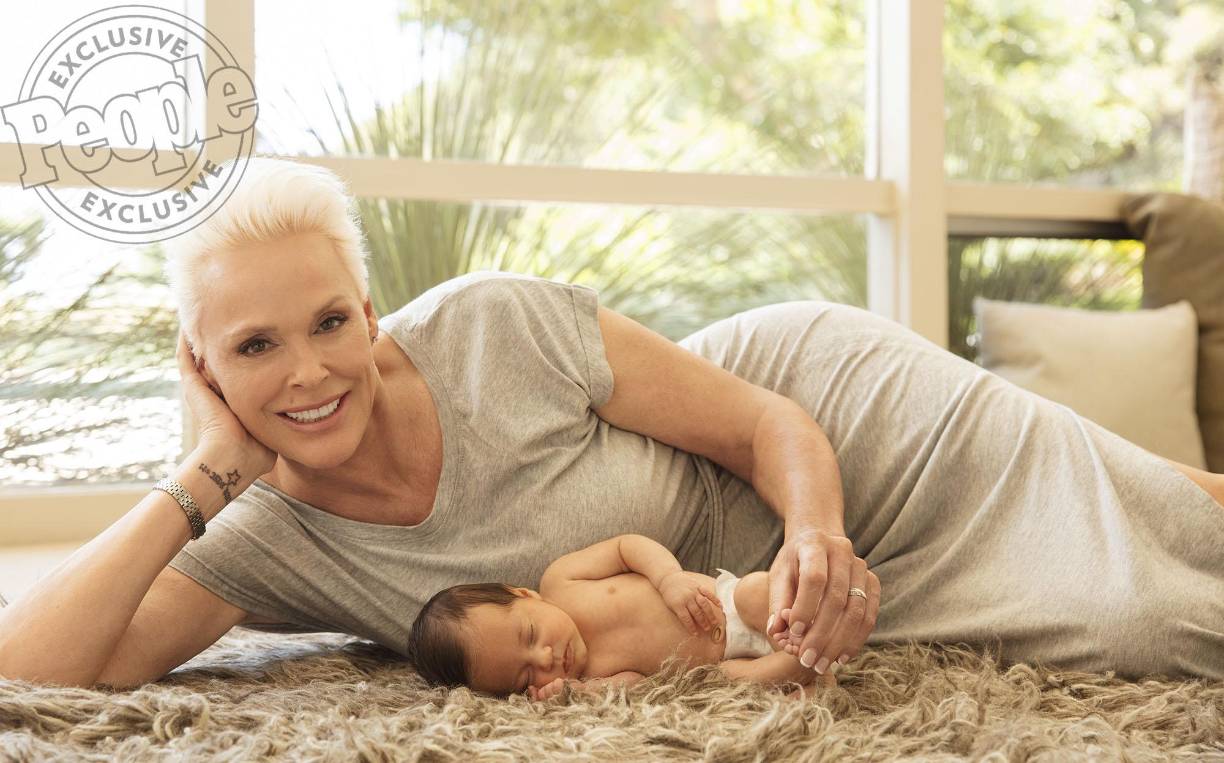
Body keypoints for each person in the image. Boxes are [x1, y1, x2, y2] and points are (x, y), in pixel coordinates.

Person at [0, 155, 1221, 691]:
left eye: (329, 322)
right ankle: (1116, 478)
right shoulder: (259, 532)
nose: (310, 373)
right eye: (255, 348)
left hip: (836, 446)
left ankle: (1127, 478)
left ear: (367, 309)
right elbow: (33, 670)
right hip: (764, 596)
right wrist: (206, 469)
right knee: (1146, 614)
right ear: (202, 366)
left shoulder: (488, 326)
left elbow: (762, 417)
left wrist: (815, 532)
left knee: (1161, 531)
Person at [408, 533, 843, 700]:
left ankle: (808, 624)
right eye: (525, 678)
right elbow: (635, 685)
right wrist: (578, 693)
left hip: (728, 604)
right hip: (727, 660)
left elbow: (626, 547)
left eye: (529, 634)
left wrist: (668, 577)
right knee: (734, 681)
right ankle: (805, 661)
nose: (544, 659)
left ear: (522, 594)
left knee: (754, 592)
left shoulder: (561, 580)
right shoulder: (589, 672)